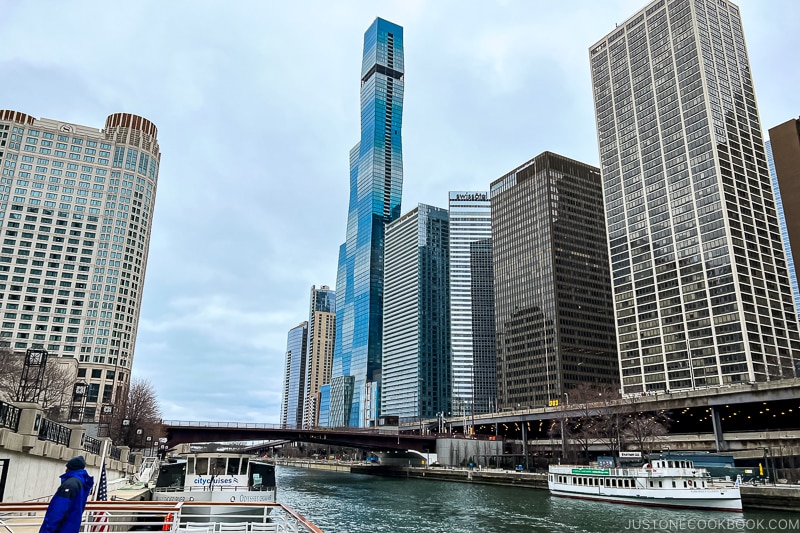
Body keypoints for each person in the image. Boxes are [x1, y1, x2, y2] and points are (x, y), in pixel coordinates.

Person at [39, 455, 95, 533]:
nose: (65, 470)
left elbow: (58, 510)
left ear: (70, 468)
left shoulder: (70, 484)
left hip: (61, 529)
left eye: (67, 467)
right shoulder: (81, 482)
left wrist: (47, 530)